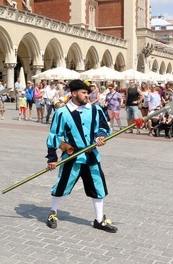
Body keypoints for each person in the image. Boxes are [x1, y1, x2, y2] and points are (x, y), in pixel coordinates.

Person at [46, 79, 117, 233]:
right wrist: (52, 158)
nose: (87, 96)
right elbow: (54, 136)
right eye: (84, 93)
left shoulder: (95, 110)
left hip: (91, 156)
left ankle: (99, 220)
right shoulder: (62, 113)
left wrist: (100, 137)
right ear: (73, 94)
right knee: (62, 184)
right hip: (73, 156)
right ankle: (53, 213)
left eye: (88, 93)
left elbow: (104, 127)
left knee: (98, 186)